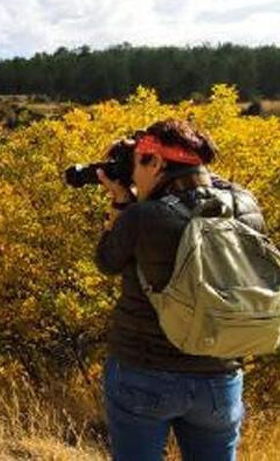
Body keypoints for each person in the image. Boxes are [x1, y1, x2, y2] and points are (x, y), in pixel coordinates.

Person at [94, 118, 264, 460]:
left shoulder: (142, 217)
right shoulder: (245, 204)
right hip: (219, 376)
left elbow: (107, 261)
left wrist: (120, 202)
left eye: (139, 165)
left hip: (143, 372)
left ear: (155, 162)